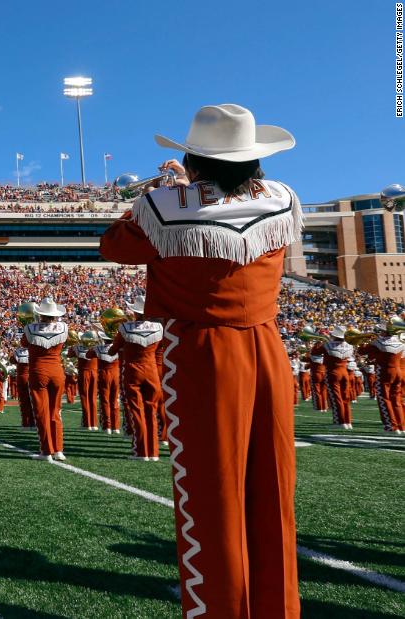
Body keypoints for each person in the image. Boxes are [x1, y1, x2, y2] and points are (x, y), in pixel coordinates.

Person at [100, 104, 301, 617]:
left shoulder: (164, 204)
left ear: (193, 158)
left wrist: (160, 191)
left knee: (210, 494)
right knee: (274, 492)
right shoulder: (281, 198)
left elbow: (114, 246)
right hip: (267, 348)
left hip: (201, 355)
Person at [108, 296, 164, 461]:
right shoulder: (158, 327)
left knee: (136, 411)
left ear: (135, 312)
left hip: (132, 371)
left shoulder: (125, 327)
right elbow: (160, 347)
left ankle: (141, 451)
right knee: (151, 411)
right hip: (152, 371)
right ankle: (153, 452)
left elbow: (113, 351)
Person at [23, 297, 68, 462]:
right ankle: (59, 450)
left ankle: (46, 451)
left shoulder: (30, 328)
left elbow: (24, 343)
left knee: (42, 413)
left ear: (40, 314)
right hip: (57, 372)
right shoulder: (63, 327)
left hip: (38, 372)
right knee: (56, 412)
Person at [312, 326, 355, 429]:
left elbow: (314, 352)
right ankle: (348, 422)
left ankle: (339, 422)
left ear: (334, 335)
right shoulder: (349, 345)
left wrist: (319, 340)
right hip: (345, 372)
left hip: (332, 372)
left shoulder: (327, 345)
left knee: (336, 398)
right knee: (346, 397)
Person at [92, 332, 121, 434]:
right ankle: (116, 427)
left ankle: (107, 426)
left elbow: (88, 354)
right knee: (115, 400)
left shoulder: (98, 348)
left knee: (105, 401)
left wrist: (95, 344)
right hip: (116, 375)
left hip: (104, 375)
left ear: (104, 339)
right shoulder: (118, 348)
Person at [75, 331, 100, 430]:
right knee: (92, 398)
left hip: (84, 373)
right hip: (94, 373)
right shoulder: (97, 348)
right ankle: (94, 423)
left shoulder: (77, 348)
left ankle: (87, 424)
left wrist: (75, 344)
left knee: (84, 398)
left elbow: (69, 354)